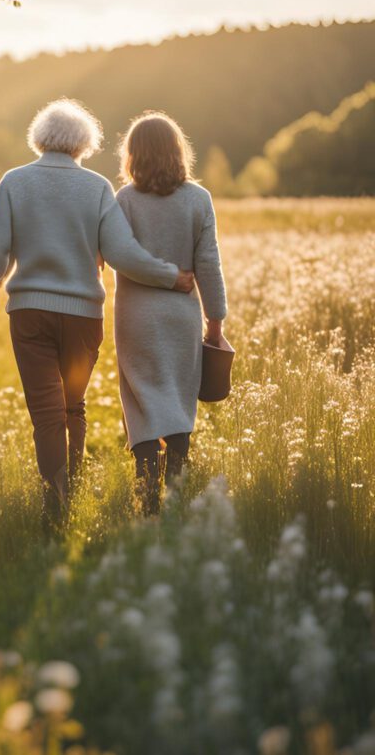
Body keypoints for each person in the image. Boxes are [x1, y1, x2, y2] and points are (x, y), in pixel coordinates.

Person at [0, 99, 195, 520]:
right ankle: (69, 493)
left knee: (46, 412)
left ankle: (57, 505)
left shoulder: (15, 182)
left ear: (40, 138)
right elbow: (122, 253)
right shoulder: (96, 188)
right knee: (73, 405)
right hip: (83, 317)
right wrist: (171, 276)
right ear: (84, 143)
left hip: (30, 314)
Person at [114, 112, 228, 513]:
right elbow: (209, 263)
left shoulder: (124, 200)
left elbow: (119, 257)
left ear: (133, 154)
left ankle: (146, 501)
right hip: (182, 317)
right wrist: (215, 323)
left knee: (141, 400)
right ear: (178, 151)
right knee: (179, 403)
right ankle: (177, 499)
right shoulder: (199, 199)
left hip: (135, 317)